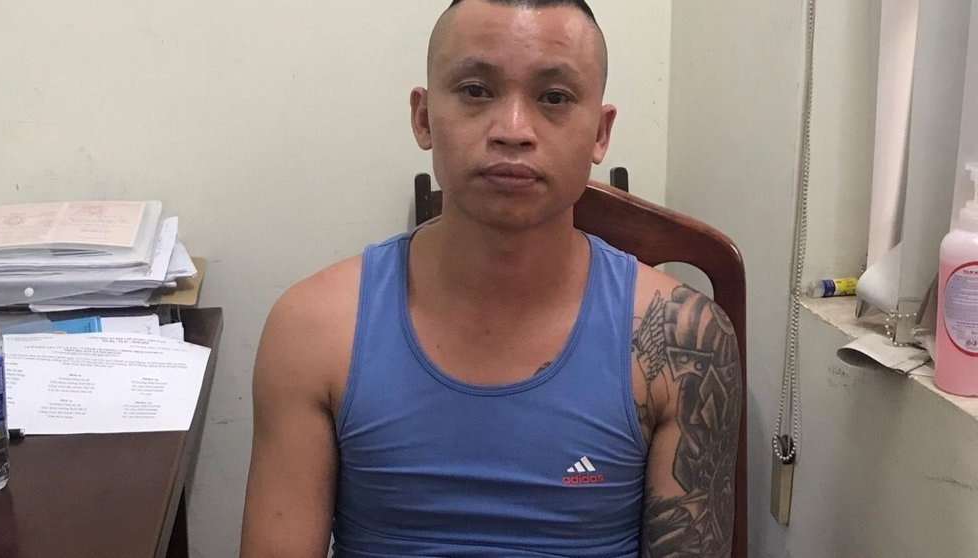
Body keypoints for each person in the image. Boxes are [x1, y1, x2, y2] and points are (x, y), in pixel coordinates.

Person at [240, 0, 741, 556]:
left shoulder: (681, 340)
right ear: (423, 118)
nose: (513, 130)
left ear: (600, 134)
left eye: (554, 97)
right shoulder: (312, 330)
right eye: (476, 90)